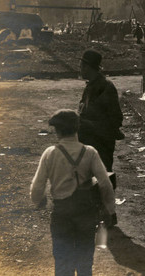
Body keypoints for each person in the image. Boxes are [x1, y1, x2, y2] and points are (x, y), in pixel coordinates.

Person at [30, 109, 116, 276]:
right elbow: (105, 184)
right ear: (77, 128)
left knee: (62, 261)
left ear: (58, 130)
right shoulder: (90, 152)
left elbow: (37, 186)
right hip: (86, 213)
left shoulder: (50, 153)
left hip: (61, 213)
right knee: (85, 261)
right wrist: (109, 210)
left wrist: (39, 201)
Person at [78, 49, 124, 182]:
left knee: (103, 182)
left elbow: (115, 118)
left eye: (81, 67)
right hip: (89, 142)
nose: (80, 70)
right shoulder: (91, 86)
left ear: (88, 67)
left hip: (101, 144)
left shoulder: (105, 87)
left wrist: (86, 124)